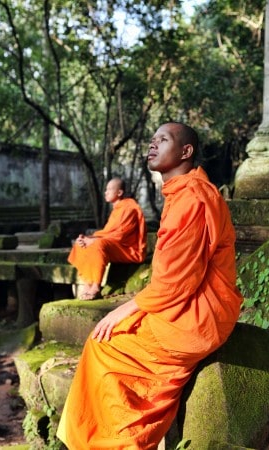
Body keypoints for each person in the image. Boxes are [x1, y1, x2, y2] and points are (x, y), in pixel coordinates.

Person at [57, 122, 243, 449]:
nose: (152, 145)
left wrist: (124, 309)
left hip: (199, 312)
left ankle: (117, 442)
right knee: (103, 341)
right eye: (152, 139)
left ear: (186, 152)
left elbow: (177, 282)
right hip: (183, 301)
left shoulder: (193, 198)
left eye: (163, 139)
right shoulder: (182, 192)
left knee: (106, 347)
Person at [68, 177, 147, 300]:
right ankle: (88, 282)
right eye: (106, 189)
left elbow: (121, 234)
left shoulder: (129, 208)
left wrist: (94, 239)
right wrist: (88, 238)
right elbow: (108, 232)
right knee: (80, 244)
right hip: (115, 244)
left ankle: (95, 286)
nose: (106, 192)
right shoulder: (117, 209)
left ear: (119, 193)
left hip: (129, 249)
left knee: (98, 244)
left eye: (109, 189)